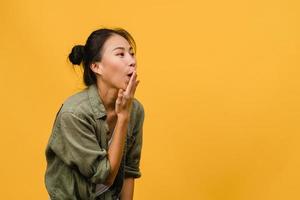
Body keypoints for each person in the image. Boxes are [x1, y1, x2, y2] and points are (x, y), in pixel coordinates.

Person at [44, 27, 145, 200]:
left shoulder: (134, 110)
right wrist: (122, 118)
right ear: (96, 67)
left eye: (131, 53)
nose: (132, 61)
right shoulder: (74, 114)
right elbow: (105, 177)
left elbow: (129, 169)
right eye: (120, 54)